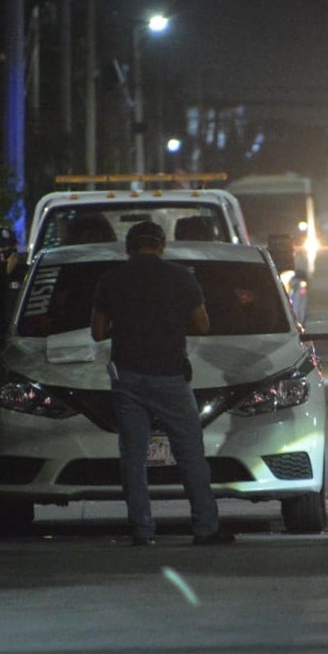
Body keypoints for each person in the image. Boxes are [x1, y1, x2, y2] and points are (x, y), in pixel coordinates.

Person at [90, 220, 231, 546]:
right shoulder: (181, 278)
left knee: (133, 457)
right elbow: (202, 324)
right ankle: (205, 528)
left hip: (126, 377)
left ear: (129, 247)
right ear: (161, 245)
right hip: (169, 375)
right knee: (190, 453)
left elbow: (98, 332)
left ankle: (141, 529)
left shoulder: (111, 279)